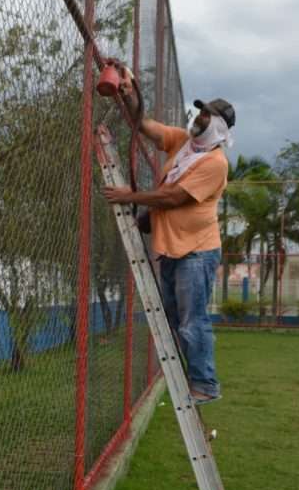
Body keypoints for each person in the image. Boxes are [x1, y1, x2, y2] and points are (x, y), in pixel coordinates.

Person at [100, 96, 234, 404]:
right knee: (175, 319)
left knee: (192, 320)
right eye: (200, 112)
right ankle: (193, 376)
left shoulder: (215, 164)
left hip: (197, 252)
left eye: (206, 116)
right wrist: (127, 93)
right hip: (172, 249)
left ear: (218, 127)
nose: (199, 118)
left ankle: (205, 384)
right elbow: (144, 125)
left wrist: (129, 196)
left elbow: (173, 198)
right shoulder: (184, 143)